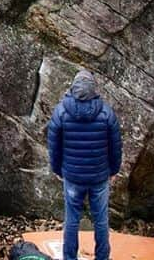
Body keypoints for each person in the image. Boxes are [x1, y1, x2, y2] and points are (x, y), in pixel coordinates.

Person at [47, 69, 123, 260]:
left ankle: (70, 258)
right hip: (99, 177)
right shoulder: (106, 113)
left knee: (72, 221)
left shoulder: (61, 112)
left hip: (72, 177)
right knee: (101, 221)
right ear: (93, 88)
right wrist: (114, 170)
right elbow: (116, 146)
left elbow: (54, 146)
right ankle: (102, 257)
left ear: (73, 88)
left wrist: (57, 169)